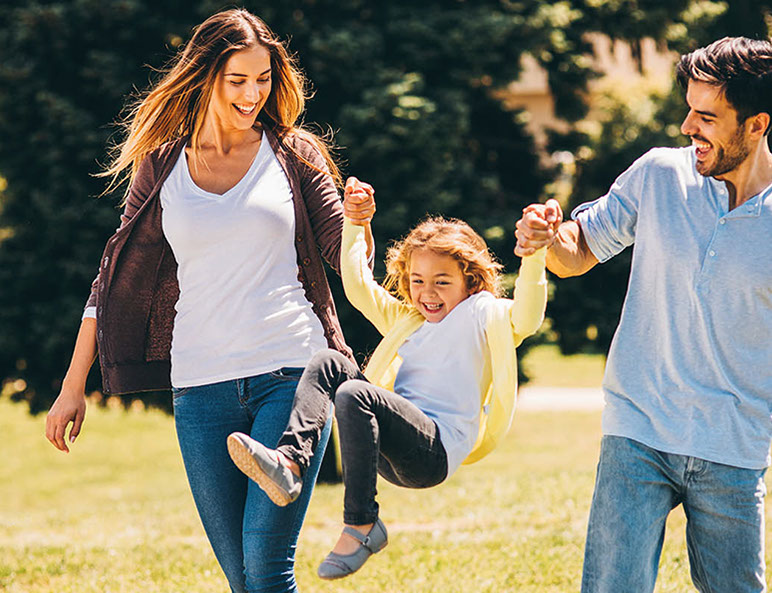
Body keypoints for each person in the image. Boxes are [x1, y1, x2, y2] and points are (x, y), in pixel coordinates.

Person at [44, 9, 376, 593]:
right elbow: (111, 279)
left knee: (268, 573)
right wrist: (74, 387)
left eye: (264, 79)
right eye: (238, 81)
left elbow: (343, 253)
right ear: (205, 77)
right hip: (201, 388)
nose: (254, 95)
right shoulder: (163, 165)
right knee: (243, 581)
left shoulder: (293, 154)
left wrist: (358, 222)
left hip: (291, 372)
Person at [515, 36, 772, 593]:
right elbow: (578, 250)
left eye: (707, 117)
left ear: (756, 125)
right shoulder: (659, 174)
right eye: (688, 111)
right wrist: (545, 238)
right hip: (639, 430)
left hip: (734, 444)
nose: (687, 128)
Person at [227, 184, 548, 580]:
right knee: (329, 361)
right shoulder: (408, 320)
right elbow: (358, 285)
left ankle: (362, 524)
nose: (427, 294)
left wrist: (535, 255)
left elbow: (528, 318)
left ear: (471, 279)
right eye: (417, 281)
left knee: (355, 394)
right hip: (386, 446)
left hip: (433, 452)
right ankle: (291, 461)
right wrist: (356, 223)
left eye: (442, 282)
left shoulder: (484, 314)